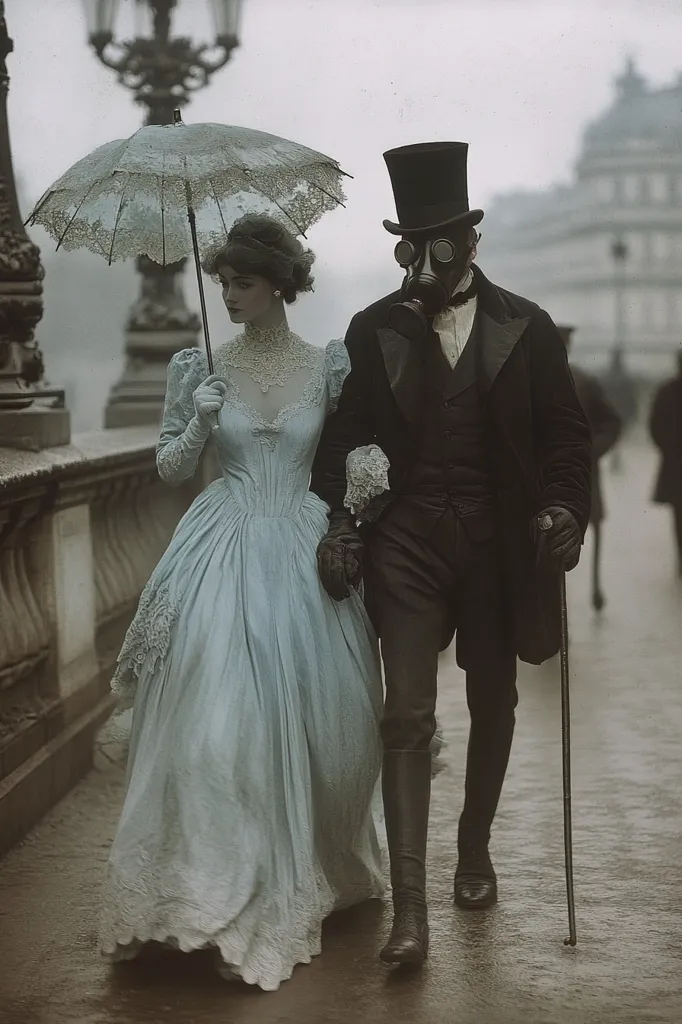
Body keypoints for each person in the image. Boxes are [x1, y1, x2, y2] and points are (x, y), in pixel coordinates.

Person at [311, 142, 592, 966]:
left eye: (442, 243)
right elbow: (345, 439)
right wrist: (342, 521)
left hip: (500, 544)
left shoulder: (526, 327)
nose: (425, 261)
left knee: (494, 697)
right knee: (404, 715)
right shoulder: (374, 329)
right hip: (406, 543)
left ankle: (473, 846)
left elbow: (567, 437)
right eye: (412, 244)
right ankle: (410, 911)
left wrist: (563, 508)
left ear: (471, 243)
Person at [98, 214, 386, 991]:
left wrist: (360, 490)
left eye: (243, 283)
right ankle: (201, 895)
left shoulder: (328, 364)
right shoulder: (200, 366)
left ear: (280, 286)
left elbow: (349, 452)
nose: (228, 294)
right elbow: (167, 469)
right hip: (218, 548)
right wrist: (197, 415)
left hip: (297, 545)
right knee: (212, 725)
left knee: (316, 724)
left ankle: (297, 873)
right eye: (222, 281)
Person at [558, 325, 622, 609]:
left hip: (584, 474)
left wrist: (592, 451)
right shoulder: (527, 381)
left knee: (593, 526)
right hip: (542, 475)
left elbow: (612, 422)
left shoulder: (584, 381)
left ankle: (596, 585)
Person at [649, 351, 682, 576]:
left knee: (679, 515)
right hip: (674, 460)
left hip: (675, 463)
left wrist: (667, 449)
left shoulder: (667, 390)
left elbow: (655, 425)